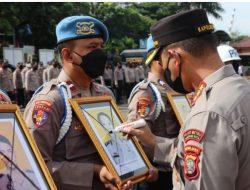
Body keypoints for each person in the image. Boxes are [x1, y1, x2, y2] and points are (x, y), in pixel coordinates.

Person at [121, 9, 250, 190]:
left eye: (164, 64)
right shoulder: (242, 88)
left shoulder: (208, 113)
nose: (168, 72)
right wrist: (153, 141)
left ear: (175, 58)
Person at [24, 15, 135, 190]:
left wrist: (137, 168)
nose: (100, 53)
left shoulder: (105, 95)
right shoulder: (50, 102)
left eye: (100, 46)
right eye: (92, 47)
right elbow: (33, 166)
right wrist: (94, 172)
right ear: (68, 55)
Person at [127, 35, 179, 190]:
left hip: (174, 168)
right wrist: (145, 167)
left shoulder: (171, 88)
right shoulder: (148, 92)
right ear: (158, 58)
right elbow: (135, 136)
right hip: (157, 176)